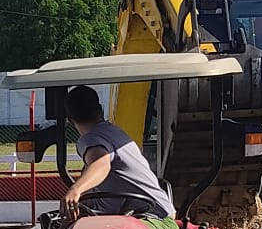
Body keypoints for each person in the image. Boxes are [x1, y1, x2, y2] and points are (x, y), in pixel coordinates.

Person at [60, 85, 177, 220]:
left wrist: (76, 190)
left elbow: (102, 164)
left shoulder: (90, 139)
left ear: (69, 120)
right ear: (100, 110)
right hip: (158, 214)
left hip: (151, 218)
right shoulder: (114, 132)